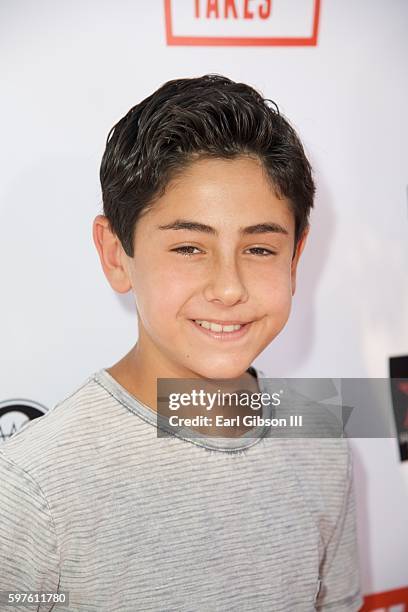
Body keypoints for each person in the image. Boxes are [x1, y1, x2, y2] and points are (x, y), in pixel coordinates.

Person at [0, 74, 363, 611]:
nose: (228, 288)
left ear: (296, 257)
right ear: (115, 254)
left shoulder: (320, 440)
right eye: (190, 247)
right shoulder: (34, 484)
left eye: (260, 249)